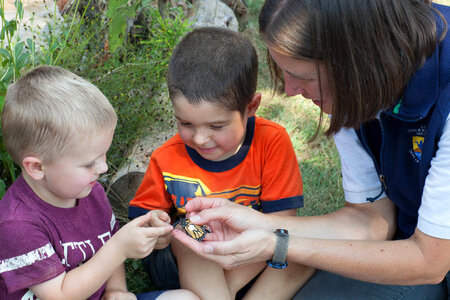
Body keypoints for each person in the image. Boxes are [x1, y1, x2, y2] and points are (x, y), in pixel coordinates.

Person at [172, 0, 450, 299]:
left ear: (358, 60)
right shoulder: (357, 85)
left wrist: (278, 244)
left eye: (304, 77)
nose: (290, 90)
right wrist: (262, 225)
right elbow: (371, 219)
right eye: (285, 72)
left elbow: (430, 261)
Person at [128, 27, 314, 299]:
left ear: (251, 108)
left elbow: (279, 225)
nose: (201, 139)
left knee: (300, 247)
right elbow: (144, 223)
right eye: (186, 123)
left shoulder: (271, 142)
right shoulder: (166, 157)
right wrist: (155, 228)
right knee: (188, 230)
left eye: (216, 125)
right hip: (190, 259)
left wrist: (232, 277)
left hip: (252, 257)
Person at [0, 65, 198, 300]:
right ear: (37, 167)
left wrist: (117, 290)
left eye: (103, 155)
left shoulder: (89, 191)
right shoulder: (18, 224)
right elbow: (60, 294)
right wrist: (120, 248)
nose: (103, 168)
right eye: (89, 163)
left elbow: (108, 241)